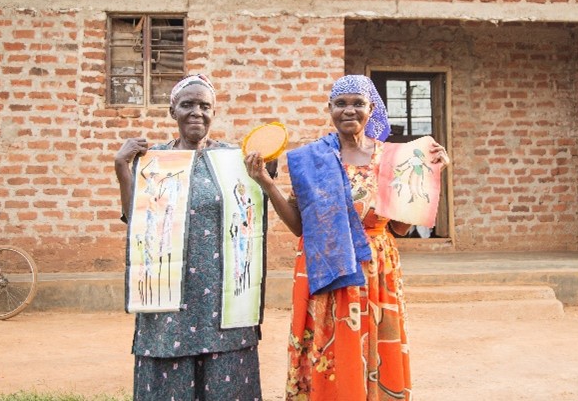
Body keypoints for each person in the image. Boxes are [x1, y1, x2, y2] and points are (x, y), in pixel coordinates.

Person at [245, 74, 449, 401]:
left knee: (374, 348)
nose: (349, 110)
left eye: (358, 103)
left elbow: (400, 228)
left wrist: (429, 175)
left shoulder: (391, 158)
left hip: (376, 271)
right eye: (341, 103)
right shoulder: (313, 159)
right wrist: (266, 184)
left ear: (372, 110)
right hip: (326, 268)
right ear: (329, 108)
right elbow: (300, 227)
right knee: (328, 350)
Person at [114, 73, 263, 401]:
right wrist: (122, 167)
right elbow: (135, 219)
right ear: (173, 112)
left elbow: (252, 212)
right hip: (171, 296)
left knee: (226, 374)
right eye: (187, 105)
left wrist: (263, 169)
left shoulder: (232, 161)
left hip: (222, 297)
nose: (196, 112)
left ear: (213, 113)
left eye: (204, 106)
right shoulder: (157, 162)